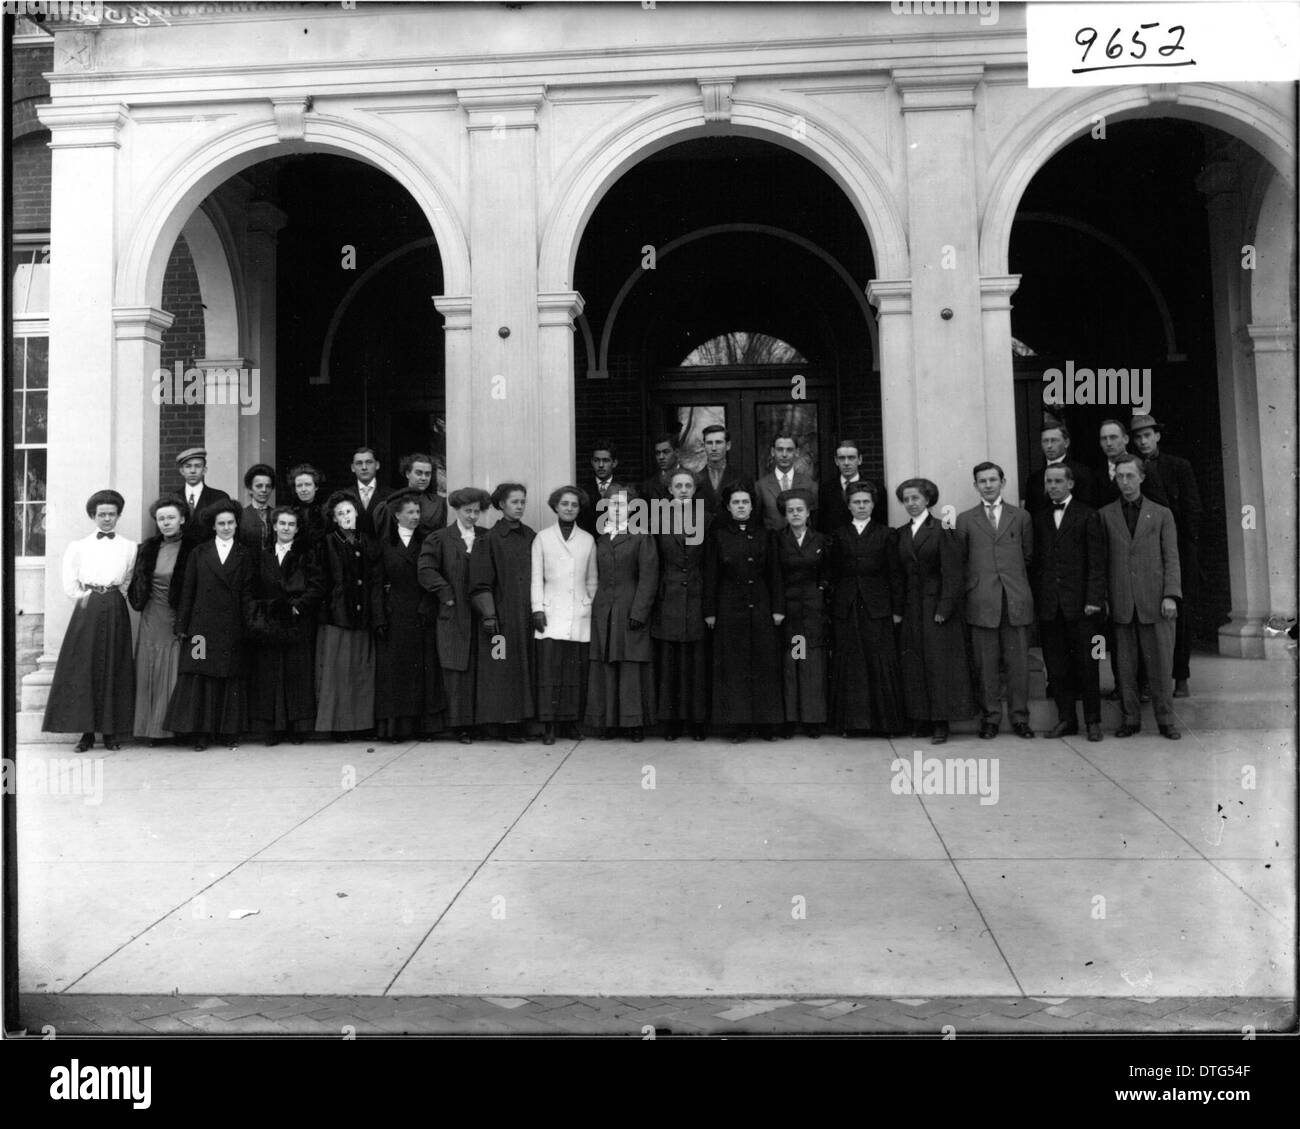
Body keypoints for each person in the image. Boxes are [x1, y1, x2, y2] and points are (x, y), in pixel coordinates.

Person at [42, 489, 138, 752]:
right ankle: (86, 734)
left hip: (116, 603)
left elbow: (127, 579)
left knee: (113, 665)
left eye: (112, 514)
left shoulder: (129, 547)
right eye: (101, 515)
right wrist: (87, 598)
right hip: (89, 605)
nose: (107, 519)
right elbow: (69, 582)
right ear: (93, 517)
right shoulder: (79, 546)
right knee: (86, 666)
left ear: (118, 516)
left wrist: (115, 597)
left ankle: (110, 732)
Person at [1099, 455, 1182, 740]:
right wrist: (1105, 598)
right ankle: (1130, 719)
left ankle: (1166, 720)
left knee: (1161, 665)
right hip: (1122, 602)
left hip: (1155, 601)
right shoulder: (1105, 514)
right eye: (1120, 476)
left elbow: (1171, 558)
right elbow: (1102, 561)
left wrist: (1171, 595)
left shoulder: (1161, 514)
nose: (1125, 482)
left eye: (1130, 476)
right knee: (1125, 667)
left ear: (1142, 477)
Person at [163, 498, 253, 750]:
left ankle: (227, 732)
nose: (226, 527)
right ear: (213, 526)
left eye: (230, 523)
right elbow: (187, 590)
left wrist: (247, 624)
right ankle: (199, 733)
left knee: (229, 675)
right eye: (221, 523)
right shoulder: (199, 552)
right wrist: (183, 625)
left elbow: (247, 592)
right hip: (200, 630)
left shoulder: (244, 554)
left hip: (231, 626)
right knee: (199, 675)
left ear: (236, 525)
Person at [956, 462, 1035, 740]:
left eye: (993, 480)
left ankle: (1020, 717)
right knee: (985, 664)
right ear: (975, 485)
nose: (988, 485)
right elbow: (962, 561)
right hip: (982, 600)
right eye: (982, 481)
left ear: (1003, 481)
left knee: (1018, 665)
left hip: (1014, 598)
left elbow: (1028, 556)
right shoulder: (965, 519)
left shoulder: (1021, 516)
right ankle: (990, 717)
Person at [894, 478, 974, 745]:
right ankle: (922, 719)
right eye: (906, 499)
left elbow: (953, 573)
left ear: (927, 500)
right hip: (912, 608)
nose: (911, 504)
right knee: (915, 663)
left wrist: (945, 607)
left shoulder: (942, 529)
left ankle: (941, 723)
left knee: (940, 666)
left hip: (936, 608)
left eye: (915, 498)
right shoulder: (902, 533)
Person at [704, 483, 784, 742]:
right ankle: (736, 725)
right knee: (734, 667)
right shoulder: (718, 537)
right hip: (729, 607)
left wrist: (777, 609)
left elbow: (775, 574)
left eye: (745, 502)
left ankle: (766, 724)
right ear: (728, 507)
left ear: (752, 506)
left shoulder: (765, 534)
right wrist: (710, 612)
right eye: (736, 502)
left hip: (760, 606)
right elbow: (711, 576)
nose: (741, 506)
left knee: (763, 664)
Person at [1031, 465, 1107, 742]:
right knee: (1057, 667)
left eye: (1058, 481)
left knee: (1089, 663)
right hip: (1051, 607)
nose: (1053, 486)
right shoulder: (1038, 518)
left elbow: (1097, 562)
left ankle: (1093, 721)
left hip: (1082, 606)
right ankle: (1067, 719)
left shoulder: (1088, 515)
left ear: (1070, 483)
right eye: (1048, 481)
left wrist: (1094, 600)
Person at [1130, 414, 1201, 698]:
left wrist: (1186, 546)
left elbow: (1193, 508)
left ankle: (1181, 676)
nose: (1143, 441)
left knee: (1180, 614)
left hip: (1178, 548)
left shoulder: (1178, 466)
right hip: (1146, 549)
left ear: (1157, 436)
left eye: (1147, 435)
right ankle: (1146, 679)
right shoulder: (1131, 470)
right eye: (1138, 437)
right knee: (1146, 611)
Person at [828, 479, 906, 737]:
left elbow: (894, 574)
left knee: (879, 662)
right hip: (847, 606)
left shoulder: (887, 534)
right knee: (851, 662)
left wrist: (896, 610)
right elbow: (834, 574)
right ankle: (852, 724)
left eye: (866, 502)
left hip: (878, 607)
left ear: (873, 505)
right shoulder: (839, 535)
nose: (861, 506)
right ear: (848, 506)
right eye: (856, 502)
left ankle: (885, 724)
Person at [372, 489, 447, 742]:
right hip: (394, 615)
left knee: (423, 672)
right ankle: (396, 729)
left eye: (418, 512)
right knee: (395, 674)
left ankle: (423, 728)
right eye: (410, 512)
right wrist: (379, 617)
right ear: (397, 515)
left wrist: (428, 604)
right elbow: (376, 584)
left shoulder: (428, 541)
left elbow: (435, 574)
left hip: (421, 613)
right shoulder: (385, 545)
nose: (416, 516)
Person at [585, 486, 658, 741]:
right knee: (606, 664)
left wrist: (639, 611)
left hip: (630, 608)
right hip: (604, 609)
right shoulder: (601, 539)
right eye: (612, 504)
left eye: (623, 505)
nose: (617, 509)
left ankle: (633, 723)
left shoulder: (641, 536)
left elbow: (649, 578)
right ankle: (608, 722)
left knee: (630, 665)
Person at [419, 487, 491, 743]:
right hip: (454, 611)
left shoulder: (486, 537)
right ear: (456, 510)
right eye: (467, 511)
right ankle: (460, 726)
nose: (472, 516)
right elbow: (426, 569)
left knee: (483, 665)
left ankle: (481, 722)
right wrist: (446, 593)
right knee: (455, 667)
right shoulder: (439, 539)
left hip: (482, 612)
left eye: (476, 511)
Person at [247, 506, 324, 745]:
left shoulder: (307, 555)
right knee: (270, 675)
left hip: (297, 621)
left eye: (291, 524)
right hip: (270, 622)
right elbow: (253, 588)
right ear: (274, 526)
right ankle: (272, 729)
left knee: (296, 674)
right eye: (282, 524)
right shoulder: (263, 555)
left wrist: (297, 606)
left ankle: (296, 729)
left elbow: (317, 586)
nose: (286, 528)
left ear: (297, 528)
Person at [470, 483, 536, 741]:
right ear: (501, 505)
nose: (519, 506)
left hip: (526, 616)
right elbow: (480, 582)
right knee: (500, 665)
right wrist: (489, 614)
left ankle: (520, 720)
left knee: (521, 667)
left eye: (523, 501)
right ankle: (501, 722)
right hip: (500, 618)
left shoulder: (531, 536)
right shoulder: (488, 539)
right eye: (514, 502)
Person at [531, 486, 597, 745]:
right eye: (565, 504)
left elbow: (592, 579)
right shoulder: (542, 538)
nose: (569, 508)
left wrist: (588, 603)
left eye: (574, 505)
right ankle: (549, 725)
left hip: (578, 612)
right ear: (555, 507)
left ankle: (571, 724)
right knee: (550, 673)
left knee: (574, 673)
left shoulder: (588, 539)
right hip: (550, 613)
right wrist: (537, 607)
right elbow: (537, 576)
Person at [128, 494, 193, 746]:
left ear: (182, 519)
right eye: (161, 518)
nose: (166, 523)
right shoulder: (147, 547)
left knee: (175, 669)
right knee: (150, 670)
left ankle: (173, 729)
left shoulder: (193, 548)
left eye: (171, 518)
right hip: (151, 615)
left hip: (176, 615)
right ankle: (151, 729)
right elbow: (136, 581)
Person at [314, 490, 379, 740]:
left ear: (356, 513)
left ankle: (361, 724)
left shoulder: (367, 540)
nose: (345, 516)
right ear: (334, 519)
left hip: (363, 614)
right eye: (340, 513)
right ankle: (339, 726)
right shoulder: (328, 542)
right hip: (338, 615)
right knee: (338, 672)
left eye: (349, 511)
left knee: (361, 670)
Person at [651, 470, 710, 741]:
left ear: (694, 490)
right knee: (670, 663)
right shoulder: (655, 520)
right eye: (679, 486)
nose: (684, 490)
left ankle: (697, 722)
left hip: (697, 596)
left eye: (688, 485)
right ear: (670, 491)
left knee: (696, 664)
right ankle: (671, 722)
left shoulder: (707, 520)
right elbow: (652, 563)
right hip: (669, 597)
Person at [773, 487, 831, 737]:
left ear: (808, 513)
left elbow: (828, 574)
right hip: (788, 610)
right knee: (791, 662)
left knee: (811, 663)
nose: (795, 514)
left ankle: (812, 719)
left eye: (800, 509)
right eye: (790, 510)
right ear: (785, 514)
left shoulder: (821, 540)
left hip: (813, 610)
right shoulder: (777, 539)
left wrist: (820, 593)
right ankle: (790, 718)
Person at [1025, 422, 1097, 513]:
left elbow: (1088, 511)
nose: (1049, 446)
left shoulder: (1082, 473)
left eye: (1054, 440)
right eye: (1045, 441)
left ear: (1066, 443)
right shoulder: (1033, 479)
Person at [376, 452, 447, 538]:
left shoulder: (439, 503)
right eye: (419, 473)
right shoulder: (393, 502)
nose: (424, 478)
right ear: (408, 474)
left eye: (427, 474)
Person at [756, 433, 816, 531]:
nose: (784, 454)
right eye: (780, 450)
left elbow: (814, 520)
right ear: (772, 452)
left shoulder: (809, 485)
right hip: (772, 542)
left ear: (797, 452)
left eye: (789, 450)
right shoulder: (761, 486)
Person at [693, 424, 753, 520]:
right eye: (709, 443)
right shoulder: (694, 480)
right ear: (704, 446)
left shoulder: (742, 478)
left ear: (728, 445)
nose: (713, 448)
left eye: (718, 442)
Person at [175, 447, 229, 540]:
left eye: (197, 466)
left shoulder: (220, 498)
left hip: (209, 552)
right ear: (182, 471)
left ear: (204, 470)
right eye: (188, 466)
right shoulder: (173, 498)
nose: (193, 471)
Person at [578, 440, 627, 535]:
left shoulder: (624, 489)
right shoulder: (583, 491)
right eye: (596, 460)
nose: (600, 465)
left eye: (606, 460)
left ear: (614, 463)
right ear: (592, 462)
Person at [817, 439, 866, 534]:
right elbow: (822, 524)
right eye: (842, 458)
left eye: (851, 458)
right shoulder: (826, 489)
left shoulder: (874, 488)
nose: (846, 463)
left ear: (860, 460)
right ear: (836, 461)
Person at [348, 446, 391, 538]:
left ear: (377, 465)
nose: (364, 467)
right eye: (359, 463)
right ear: (352, 468)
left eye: (369, 462)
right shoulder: (344, 496)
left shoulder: (391, 496)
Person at [238, 462, 277, 552]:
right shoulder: (241, 515)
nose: (264, 490)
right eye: (259, 486)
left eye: (268, 486)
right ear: (250, 489)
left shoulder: (277, 515)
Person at [288, 463, 329, 549]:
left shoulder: (327, 512)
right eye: (299, 485)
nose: (303, 489)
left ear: (316, 486)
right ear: (295, 489)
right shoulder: (289, 514)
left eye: (308, 484)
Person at [640, 434, 681, 502]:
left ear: (677, 452)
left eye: (666, 452)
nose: (661, 457)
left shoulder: (692, 479)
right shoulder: (648, 487)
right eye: (658, 453)